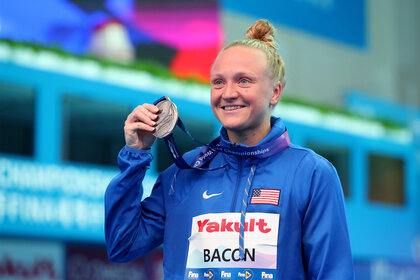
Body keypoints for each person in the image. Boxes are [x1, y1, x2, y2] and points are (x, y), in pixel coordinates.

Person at [105, 19, 354, 279]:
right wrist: (135, 154)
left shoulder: (311, 174)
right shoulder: (182, 174)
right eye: (218, 82)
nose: (228, 93)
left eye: (244, 81)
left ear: (275, 93)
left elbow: (333, 273)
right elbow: (122, 244)